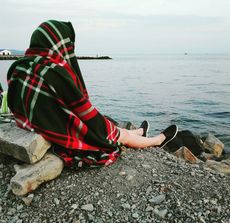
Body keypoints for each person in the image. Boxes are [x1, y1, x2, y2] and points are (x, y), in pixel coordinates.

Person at [7, 20, 177, 168]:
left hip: (32, 123)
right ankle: (158, 140)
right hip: (56, 129)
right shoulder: (53, 71)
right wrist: (104, 128)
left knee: (108, 126)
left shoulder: (17, 67)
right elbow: (81, 109)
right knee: (114, 133)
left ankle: (139, 132)